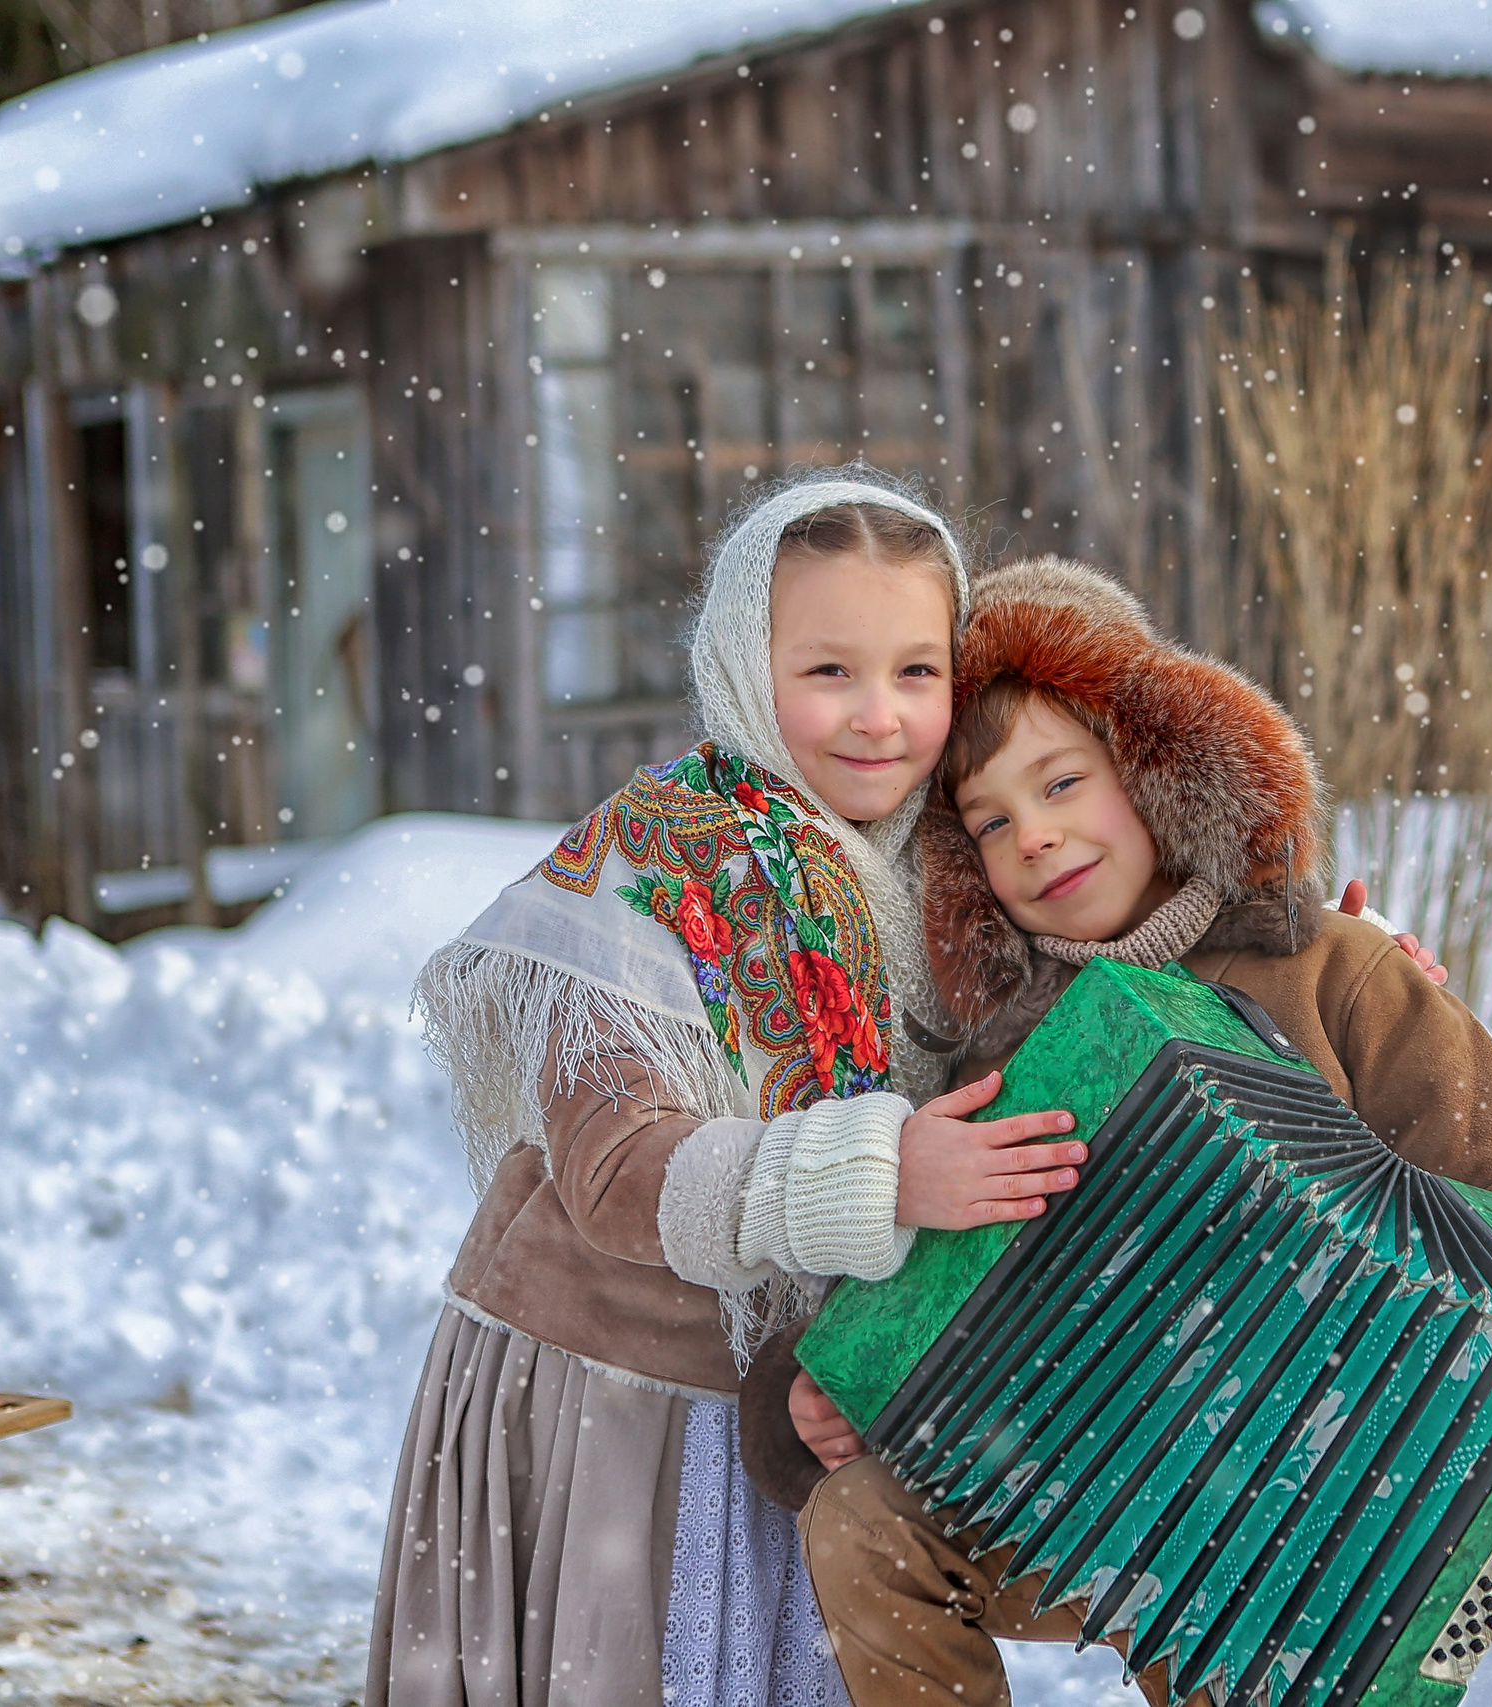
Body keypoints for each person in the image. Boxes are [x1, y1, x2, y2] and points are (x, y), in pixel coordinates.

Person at [744, 555, 1492, 1707]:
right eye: (990, 823)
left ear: (1159, 774)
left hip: (1327, 1509)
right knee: (866, 1522)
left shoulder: (1340, 970)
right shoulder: (998, 1059)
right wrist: (804, 1402)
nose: (1037, 839)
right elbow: (909, 1287)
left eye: (1063, 785)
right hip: (1076, 1479)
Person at [370, 470, 1089, 1707]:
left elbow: (1133, 966)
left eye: (917, 671)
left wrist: (1329, 962)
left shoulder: (961, 853)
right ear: (744, 665)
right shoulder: (649, 865)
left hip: (831, 1404)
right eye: (828, 672)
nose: (880, 718)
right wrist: (883, 1171)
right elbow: (615, 1175)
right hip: (630, 1411)